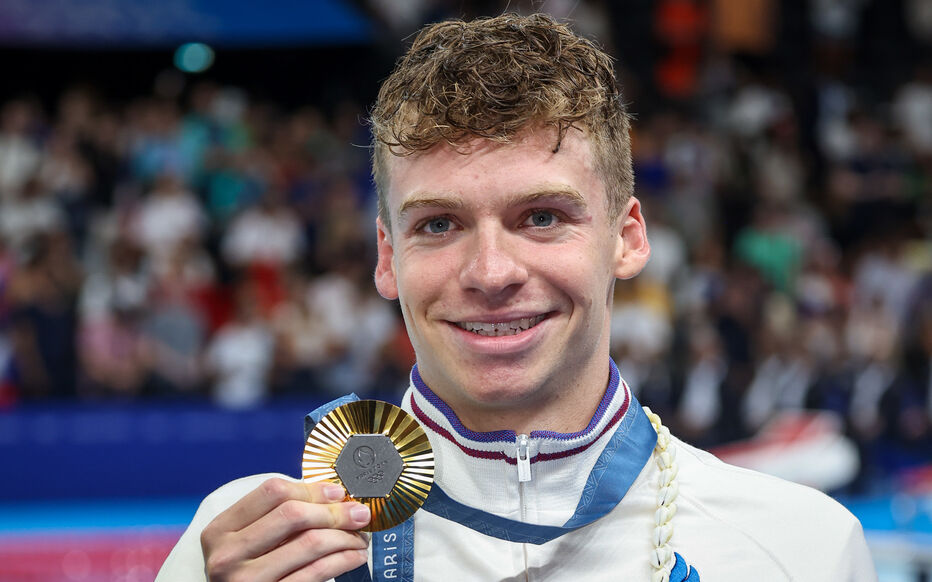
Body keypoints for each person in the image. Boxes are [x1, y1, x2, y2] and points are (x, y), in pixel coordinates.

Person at [157, 13, 876, 581]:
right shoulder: (249, 546)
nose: (492, 271)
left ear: (627, 238)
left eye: (542, 217)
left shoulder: (801, 549)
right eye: (439, 224)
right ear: (388, 258)